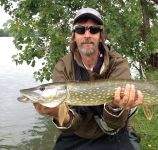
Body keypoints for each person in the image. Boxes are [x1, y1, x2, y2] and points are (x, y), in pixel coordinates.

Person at [33, 7, 143, 150]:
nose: (87, 35)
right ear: (74, 36)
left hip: (115, 130)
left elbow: (116, 123)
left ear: (101, 35)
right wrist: (57, 113)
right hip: (79, 133)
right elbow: (73, 125)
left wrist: (115, 107)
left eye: (93, 29)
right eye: (80, 30)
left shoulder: (118, 63)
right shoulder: (63, 66)